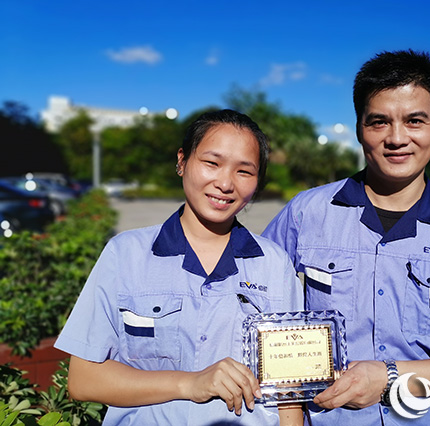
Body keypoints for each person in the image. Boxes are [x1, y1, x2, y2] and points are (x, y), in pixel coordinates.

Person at [262, 50, 430, 425]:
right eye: (379, 122)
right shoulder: (307, 212)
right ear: (358, 128)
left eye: (415, 121)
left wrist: (388, 378)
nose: (397, 138)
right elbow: (251, 305)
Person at [55, 109, 304, 425]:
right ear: (182, 161)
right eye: (211, 163)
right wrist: (190, 383)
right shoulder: (125, 254)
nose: (225, 183)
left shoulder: (274, 264)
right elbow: (84, 380)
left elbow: (291, 392)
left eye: (244, 171)